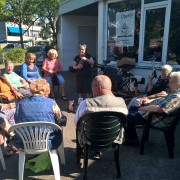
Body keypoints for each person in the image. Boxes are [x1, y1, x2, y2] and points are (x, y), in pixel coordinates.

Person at [0, 78, 63, 151]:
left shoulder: (20, 103)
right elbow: (60, 119)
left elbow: (17, 120)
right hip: (49, 142)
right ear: (46, 91)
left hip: (24, 143)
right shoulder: (51, 102)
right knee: (59, 125)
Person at [75, 75, 128, 159]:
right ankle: (98, 151)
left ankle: (82, 152)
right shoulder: (122, 103)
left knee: (81, 128)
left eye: (92, 86)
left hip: (90, 139)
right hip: (113, 139)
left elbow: (76, 122)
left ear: (98, 88)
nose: (91, 89)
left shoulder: (86, 103)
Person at [124, 71, 180, 146]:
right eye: (169, 82)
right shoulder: (174, 93)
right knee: (131, 109)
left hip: (154, 118)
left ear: (179, 84)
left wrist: (140, 108)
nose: (169, 84)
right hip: (153, 115)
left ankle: (132, 140)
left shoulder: (176, 97)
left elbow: (157, 108)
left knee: (125, 115)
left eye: (171, 82)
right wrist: (148, 101)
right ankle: (132, 137)